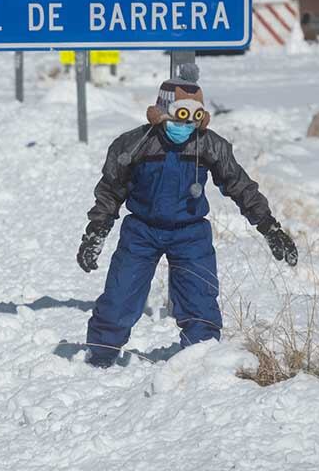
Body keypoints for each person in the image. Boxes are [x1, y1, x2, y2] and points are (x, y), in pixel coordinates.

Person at [76, 64, 298, 368]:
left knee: (199, 301)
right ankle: (99, 356)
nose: (186, 125)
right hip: (141, 231)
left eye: (194, 118)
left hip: (190, 234)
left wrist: (270, 227)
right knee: (120, 297)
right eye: (181, 116)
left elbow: (240, 185)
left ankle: (200, 360)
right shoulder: (134, 145)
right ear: (163, 112)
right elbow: (110, 191)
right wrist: (96, 232)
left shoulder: (209, 145)